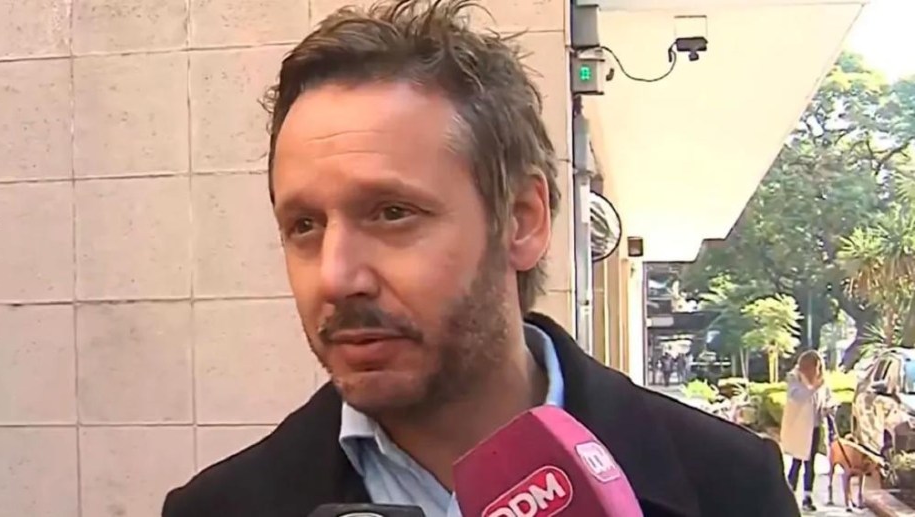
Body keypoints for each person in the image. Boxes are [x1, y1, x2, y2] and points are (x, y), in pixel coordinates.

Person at [161, 1, 799, 515]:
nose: (336, 276)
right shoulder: (218, 509)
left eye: (391, 213)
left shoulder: (728, 485)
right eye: (304, 226)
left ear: (522, 219)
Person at [781, 350, 834, 512]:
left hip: (814, 427)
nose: (817, 370)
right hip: (799, 428)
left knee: (810, 464)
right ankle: (788, 496)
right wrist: (812, 389)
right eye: (815, 366)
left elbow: (827, 397)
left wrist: (829, 407)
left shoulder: (821, 380)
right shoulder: (795, 378)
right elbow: (796, 397)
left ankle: (807, 497)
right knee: (797, 462)